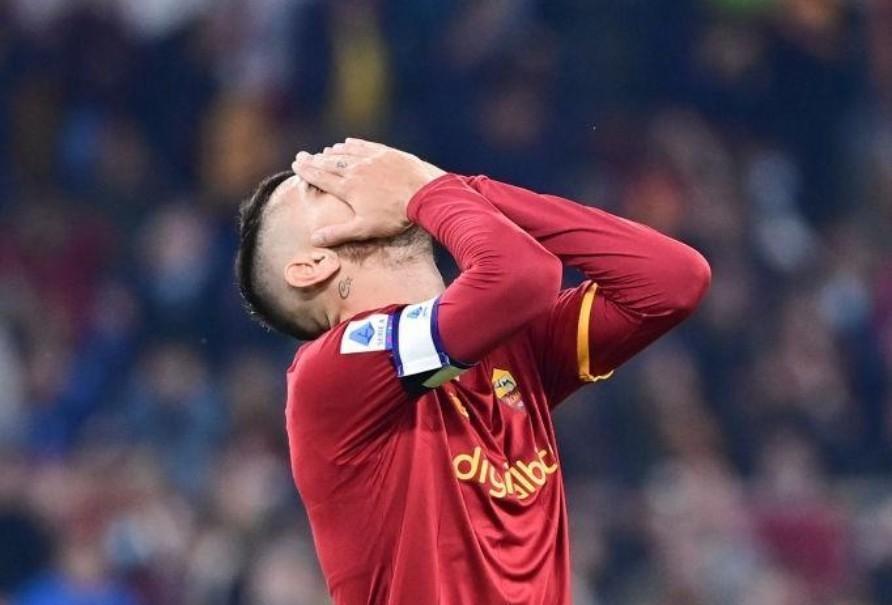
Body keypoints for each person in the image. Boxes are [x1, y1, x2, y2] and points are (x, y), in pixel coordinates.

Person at [234, 139, 711, 604]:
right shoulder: (330, 373)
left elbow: (671, 280)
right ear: (311, 265)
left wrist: (455, 186)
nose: (364, 176)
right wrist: (428, 191)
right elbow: (522, 277)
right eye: (321, 187)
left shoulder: (508, 348)